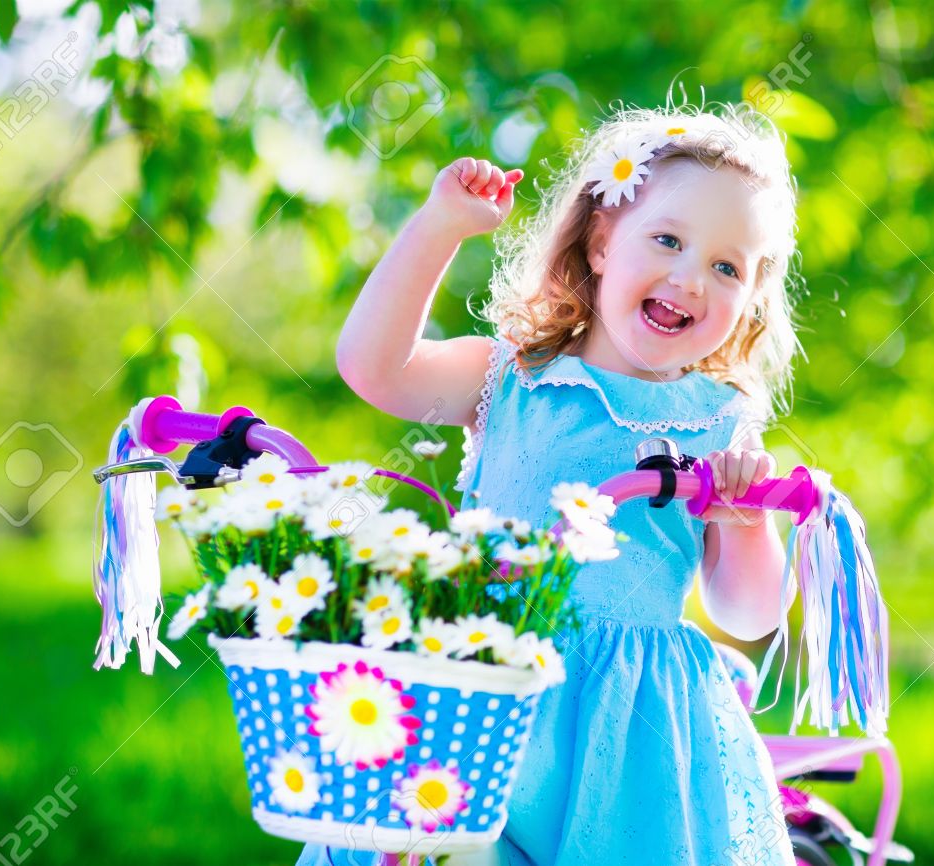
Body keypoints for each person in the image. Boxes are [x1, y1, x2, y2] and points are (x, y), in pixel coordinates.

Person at [302, 102, 804, 866]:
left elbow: (750, 610)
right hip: (480, 692)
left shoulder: (719, 424)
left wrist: (744, 518)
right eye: (668, 240)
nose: (690, 278)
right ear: (601, 242)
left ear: (750, 299)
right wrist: (442, 225)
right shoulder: (512, 379)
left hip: (631, 743)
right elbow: (374, 368)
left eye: (727, 268)